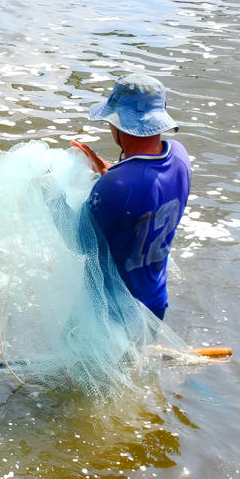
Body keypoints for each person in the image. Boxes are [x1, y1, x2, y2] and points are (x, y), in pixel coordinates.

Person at [70, 73, 190, 320]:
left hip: (109, 312)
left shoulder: (117, 186)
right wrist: (110, 172)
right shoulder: (180, 156)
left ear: (119, 125)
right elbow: (144, 190)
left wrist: (48, 191)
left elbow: (79, 242)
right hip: (155, 302)